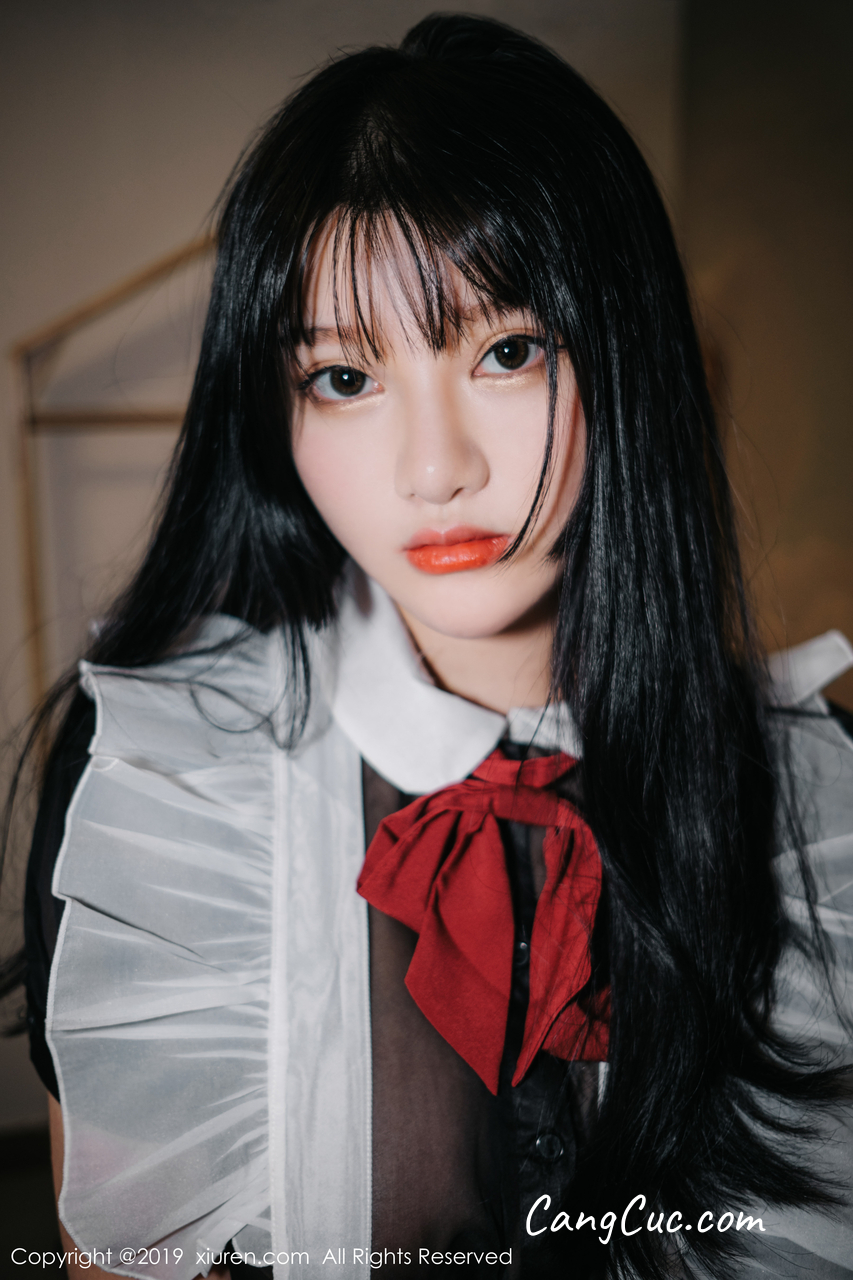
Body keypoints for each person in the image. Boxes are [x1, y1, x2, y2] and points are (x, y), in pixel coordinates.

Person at [14, 12, 853, 1280]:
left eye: (506, 351)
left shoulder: (816, 805)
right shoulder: (164, 783)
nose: (433, 468)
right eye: (344, 378)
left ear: (623, 359)